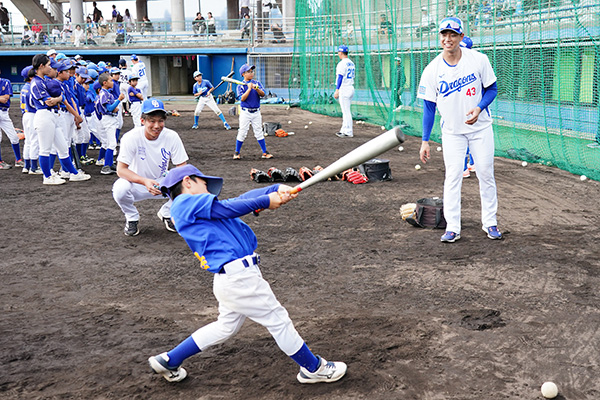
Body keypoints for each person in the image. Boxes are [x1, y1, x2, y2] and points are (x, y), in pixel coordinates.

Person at [148, 164, 347, 385]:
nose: (208, 188)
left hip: (232, 279)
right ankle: (313, 368)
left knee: (225, 327)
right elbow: (228, 208)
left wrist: (275, 189)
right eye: (204, 183)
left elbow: (236, 201)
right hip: (239, 278)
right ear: (188, 182)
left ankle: (169, 360)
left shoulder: (197, 209)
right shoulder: (182, 204)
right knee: (278, 320)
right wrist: (266, 201)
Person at [417, 17, 501, 242]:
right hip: (452, 132)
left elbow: (492, 89)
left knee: (485, 173)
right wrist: (425, 140)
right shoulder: (432, 69)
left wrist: (479, 107)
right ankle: (452, 227)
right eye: (444, 34)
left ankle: (490, 223)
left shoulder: (479, 60)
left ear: (461, 37)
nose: (448, 39)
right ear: (440, 38)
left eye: (453, 34)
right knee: (453, 177)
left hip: (480, 129)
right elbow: (429, 107)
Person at [112, 99, 188, 236]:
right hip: (136, 182)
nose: (157, 125)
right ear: (142, 121)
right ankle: (131, 217)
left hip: (162, 182)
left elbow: (182, 167)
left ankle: (167, 212)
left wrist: (170, 183)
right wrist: (145, 181)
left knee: (190, 182)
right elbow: (121, 170)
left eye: (160, 121)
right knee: (119, 188)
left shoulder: (172, 136)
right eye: (152, 121)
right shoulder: (131, 137)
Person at [30, 54, 91, 185]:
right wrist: (58, 99)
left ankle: (74, 174)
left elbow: (59, 99)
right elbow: (49, 102)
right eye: (48, 65)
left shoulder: (43, 81)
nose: (50, 68)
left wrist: (58, 99)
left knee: (63, 147)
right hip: (44, 115)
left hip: (53, 115)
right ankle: (47, 177)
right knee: (45, 149)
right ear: (41, 66)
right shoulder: (36, 82)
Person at [233, 64, 272, 160]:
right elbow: (242, 98)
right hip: (245, 112)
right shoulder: (240, 86)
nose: (251, 73)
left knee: (259, 132)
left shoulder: (257, 83)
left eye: (252, 71)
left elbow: (263, 95)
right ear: (243, 74)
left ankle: (264, 152)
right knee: (242, 132)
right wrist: (249, 89)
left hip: (256, 112)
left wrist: (257, 88)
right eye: (249, 72)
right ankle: (237, 152)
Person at [96, 71, 125, 175]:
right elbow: (109, 108)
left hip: (109, 118)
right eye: (110, 80)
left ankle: (109, 164)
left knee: (110, 143)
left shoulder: (106, 93)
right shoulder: (104, 93)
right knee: (111, 143)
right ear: (104, 83)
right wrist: (119, 100)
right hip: (107, 119)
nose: (112, 82)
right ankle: (106, 166)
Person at [0, 69, 23, 169]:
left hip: (4, 112)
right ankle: (0, 162)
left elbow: (5, 99)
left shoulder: (5, 82)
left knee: (14, 137)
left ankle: (18, 160)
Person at [333, 44, 355, 138]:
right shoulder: (351, 62)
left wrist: (337, 90)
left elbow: (340, 77)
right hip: (350, 87)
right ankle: (344, 130)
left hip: (344, 88)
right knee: (346, 111)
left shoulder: (342, 63)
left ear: (341, 52)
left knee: (346, 111)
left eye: (338, 52)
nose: (338, 53)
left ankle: (348, 131)